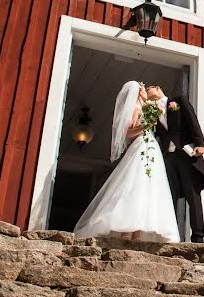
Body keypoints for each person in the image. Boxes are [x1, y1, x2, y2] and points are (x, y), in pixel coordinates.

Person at [74, 80, 180, 242]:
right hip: (141, 147)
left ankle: (137, 234)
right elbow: (128, 133)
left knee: (148, 187)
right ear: (137, 93)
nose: (145, 90)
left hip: (151, 148)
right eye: (143, 88)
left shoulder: (149, 108)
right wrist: (146, 126)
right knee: (134, 185)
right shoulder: (136, 109)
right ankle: (126, 231)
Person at [147, 85, 204, 243]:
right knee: (170, 197)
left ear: (158, 88)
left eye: (149, 88)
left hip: (186, 155)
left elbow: (192, 121)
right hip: (168, 158)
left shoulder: (178, 101)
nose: (147, 90)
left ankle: (197, 237)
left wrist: (200, 143)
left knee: (192, 195)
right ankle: (171, 236)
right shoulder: (153, 113)